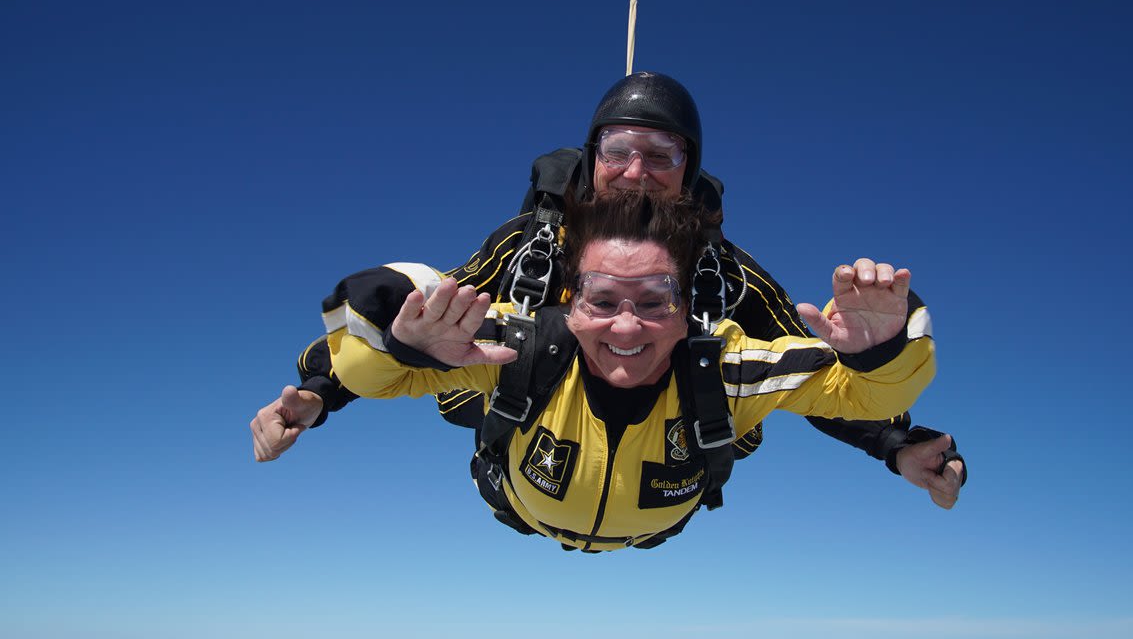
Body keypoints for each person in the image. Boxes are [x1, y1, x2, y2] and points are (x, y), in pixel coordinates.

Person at [254, 71, 965, 509]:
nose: (635, 171)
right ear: (591, 160)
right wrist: (322, 390)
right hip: (529, 445)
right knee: (486, 344)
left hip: (665, 473)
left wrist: (896, 441)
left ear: (690, 171)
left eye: (661, 156)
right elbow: (425, 321)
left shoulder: (731, 279)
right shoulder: (528, 249)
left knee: (733, 372)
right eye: (617, 152)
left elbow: (814, 373)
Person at [265, 190, 935, 552]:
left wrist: (880, 352)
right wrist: (397, 348)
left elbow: (855, 394)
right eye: (600, 300)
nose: (624, 326)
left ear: (690, 309)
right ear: (568, 300)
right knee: (453, 367)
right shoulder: (517, 347)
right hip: (522, 504)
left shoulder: (725, 368)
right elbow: (376, 370)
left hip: (653, 525)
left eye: (656, 303)